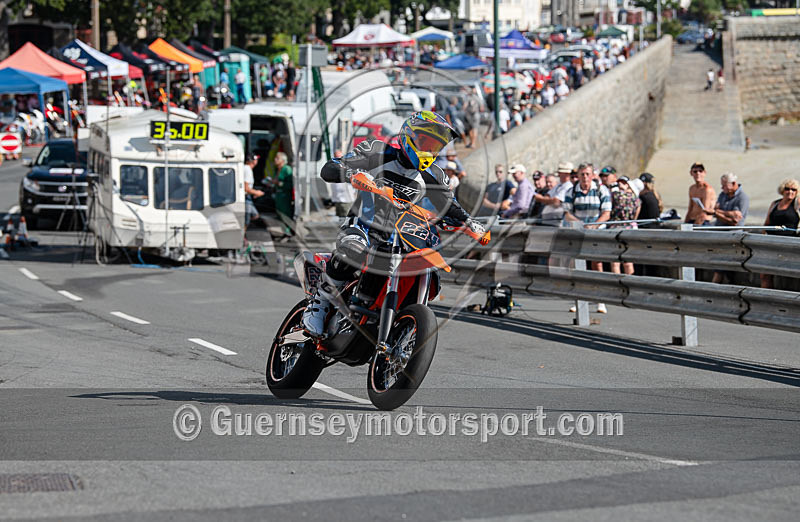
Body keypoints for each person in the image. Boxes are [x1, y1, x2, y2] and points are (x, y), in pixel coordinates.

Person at [301, 111, 485, 336]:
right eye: (426, 142)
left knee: (423, 266)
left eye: (435, 146)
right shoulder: (377, 151)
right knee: (354, 247)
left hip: (401, 237)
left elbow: (449, 206)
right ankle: (320, 302)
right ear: (409, 135)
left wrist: (469, 222)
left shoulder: (435, 175)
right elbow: (330, 167)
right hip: (363, 225)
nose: (429, 150)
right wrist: (352, 174)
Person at [563, 162, 612, 313]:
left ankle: (600, 300)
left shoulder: (601, 190)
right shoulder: (572, 192)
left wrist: (594, 226)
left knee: (597, 265)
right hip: (579, 233)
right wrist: (580, 224)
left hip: (596, 233)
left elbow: (606, 213)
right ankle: (579, 300)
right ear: (578, 176)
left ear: (592, 175)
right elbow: (567, 213)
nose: (585, 177)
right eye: (582, 174)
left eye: (587, 174)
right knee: (577, 266)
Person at [707, 172, 749, 284]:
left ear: (733, 183)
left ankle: (714, 290)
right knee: (721, 268)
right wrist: (727, 214)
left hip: (732, 237)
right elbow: (718, 210)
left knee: (722, 270)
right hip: (720, 236)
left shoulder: (742, 198)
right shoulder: (723, 194)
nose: (722, 188)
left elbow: (735, 222)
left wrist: (717, 213)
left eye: (724, 185)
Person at [761, 179, 800, 288]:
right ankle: (765, 295)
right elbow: (766, 223)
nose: (790, 191)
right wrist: (762, 237)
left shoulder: (797, 203)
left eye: (794, 189)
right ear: (782, 190)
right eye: (787, 189)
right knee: (764, 274)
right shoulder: (775, 204)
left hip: (788, 243)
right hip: (771, 242)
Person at [609, 176, 641, 276]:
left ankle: (616, 281)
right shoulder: (635, 198)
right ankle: (630, 281)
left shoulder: (614, 195)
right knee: (628, 260)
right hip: (628, 228)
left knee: (615, 261)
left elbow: (609, 209)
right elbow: (636, 215)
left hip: (615, 228)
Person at [329, 150, 356, 217]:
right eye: (336, 156)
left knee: (346, 218)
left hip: (346, 200)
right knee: (340, 218)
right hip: (337, 199)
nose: (338, 158)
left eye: (339, 157)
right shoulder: (333, 166)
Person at [272, 152, 293, 233]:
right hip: (278, 195)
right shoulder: (277, 169)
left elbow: (290, 184)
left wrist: (279, 183)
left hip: (285, 195)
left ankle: (288, 230)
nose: (275, 159)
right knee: (279, 213)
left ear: (283, 160)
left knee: (285, 213)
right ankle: (282, 230)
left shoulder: (287, 169)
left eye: (277, 158)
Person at [243, 153, 265, 232]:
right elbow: (245, 188)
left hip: (247, 197)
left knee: (255, 215)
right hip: (246, 198)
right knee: (246, 221)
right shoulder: (247, 170)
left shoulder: (246, 168)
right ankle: (241, 237)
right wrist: (256, 192)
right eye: (256, 159)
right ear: (253, 161)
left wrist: (253, 193)